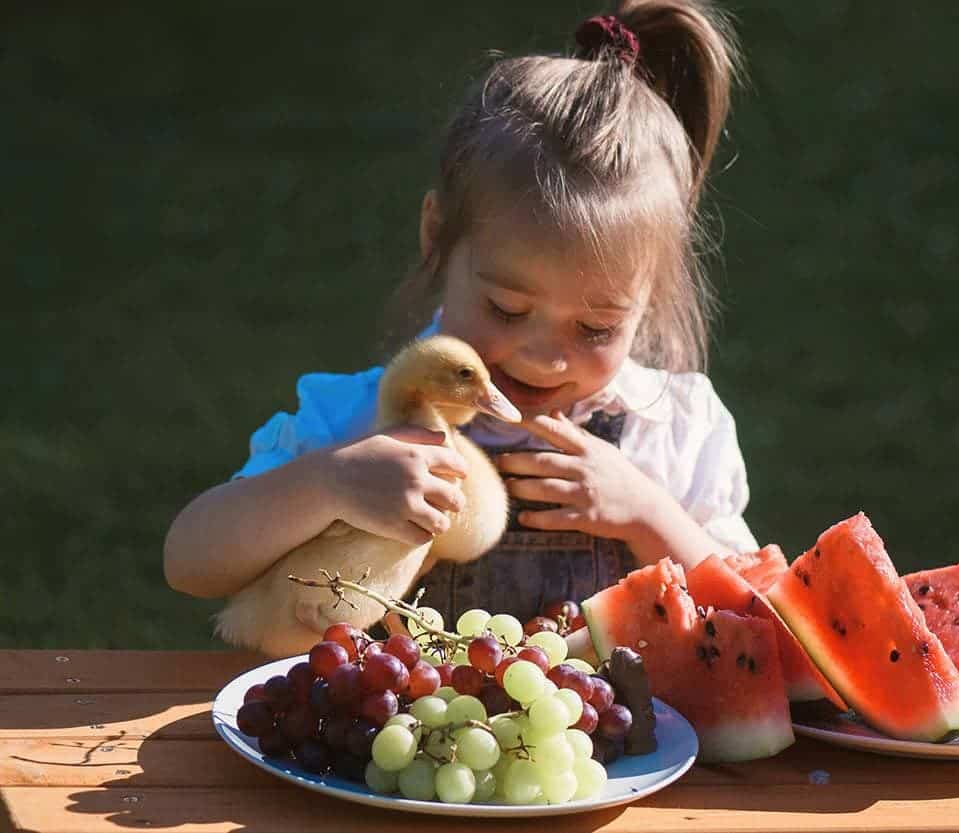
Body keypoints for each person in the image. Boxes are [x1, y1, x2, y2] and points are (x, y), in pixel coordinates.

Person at [164, 0, 757, 625]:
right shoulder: (356, 420)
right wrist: (328, 484)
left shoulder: (671, 433)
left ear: (649, 300)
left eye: (595, 328)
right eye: (506, 309)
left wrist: (649, 514)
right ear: (436, 235)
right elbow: (190, 561)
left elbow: (754, 614)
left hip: (620, 725)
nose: (544, 356)